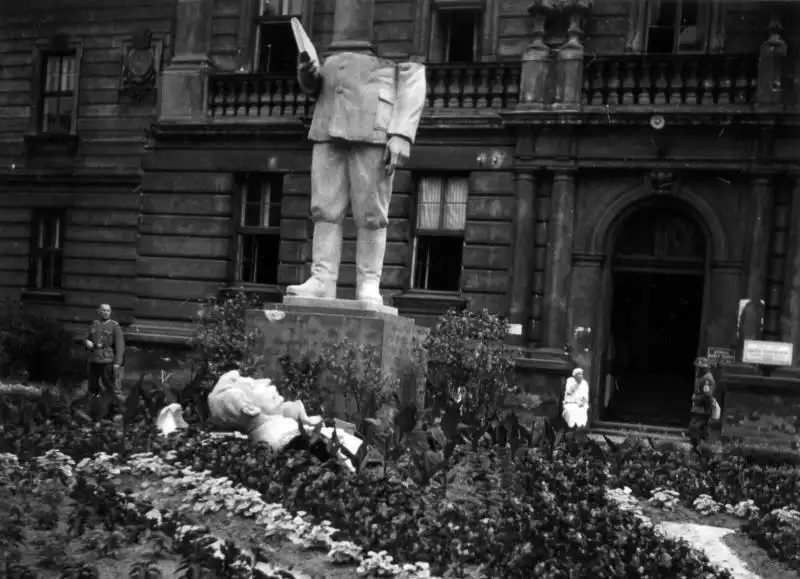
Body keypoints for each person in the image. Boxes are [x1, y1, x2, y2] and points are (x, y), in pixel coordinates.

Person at [285, 48, 426, 308]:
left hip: (374, 125)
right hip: (328, 123)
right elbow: (315, 87)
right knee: (324, 209)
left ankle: (369, 282)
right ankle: (322, 279)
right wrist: (307, 73)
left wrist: (402, 133)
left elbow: (414, 75)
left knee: (372, 213)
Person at [84, 303, 126, 419]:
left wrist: (117, 362)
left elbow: (120, 345)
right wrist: (87, 342)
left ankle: (113, 410)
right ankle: (93, 409)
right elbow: (86, 338)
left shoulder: (114, 326)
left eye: (108, 310)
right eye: (104, 310)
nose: (106, 312)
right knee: (92, 386)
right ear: (99, 311)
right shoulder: (93, 325)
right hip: (94, 360)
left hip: (107, 361)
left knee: (110, 387)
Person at [687, 357, 715, 452]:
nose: (698, 368)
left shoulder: (707, 378)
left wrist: (697, 399)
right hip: (698, 409)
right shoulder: (700, 376)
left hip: (702, 410)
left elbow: (707, 396)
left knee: (693, 428)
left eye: (700, 367)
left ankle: (699, 449)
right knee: (703, 431)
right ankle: (704, 451)